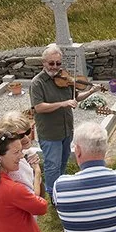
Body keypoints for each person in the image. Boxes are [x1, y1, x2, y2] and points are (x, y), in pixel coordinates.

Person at [30, 44, 98, 199]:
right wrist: (63, 103)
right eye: (51, 63)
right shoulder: (37, 83)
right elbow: (39, 107)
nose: (55, 67)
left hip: (66, 130)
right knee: (52, 166)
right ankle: (53, 195)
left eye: (58, 63)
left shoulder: (65, 78)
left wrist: (91, 91)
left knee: (62, 163)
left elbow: (76, 97)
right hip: (50, 133)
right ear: (43, 63)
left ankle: (60, 189)